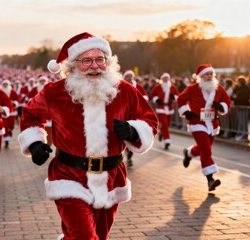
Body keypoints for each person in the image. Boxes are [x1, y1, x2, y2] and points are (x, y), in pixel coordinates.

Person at [18, 32, 158, 240]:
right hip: (69, 176)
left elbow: (149, 120)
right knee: (84, 235)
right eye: (87, 60)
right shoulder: (54, 92)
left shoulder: (125, 91)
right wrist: (36, 143)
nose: (94, 65)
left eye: (100, 59)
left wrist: (133, 130)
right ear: (73, 66)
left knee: (98, 236)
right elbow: (30, 114)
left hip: (111, 177)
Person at [177, 64, 231, 191]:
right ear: (200, 76)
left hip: (212, 124)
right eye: (206, 74)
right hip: (197, 123)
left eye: (211, 74)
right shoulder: (193, 88)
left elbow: (227, 102)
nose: (209, 76)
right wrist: (186, 112)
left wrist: (221, 106)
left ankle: (189, 153)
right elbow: (180, 99)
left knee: (203, 149)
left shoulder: (219, 89)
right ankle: (210, 179)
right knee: (206, 149)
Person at [122, 69, 149, 167]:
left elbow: (145, 96)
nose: (129, 78)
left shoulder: (138, 87)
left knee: (132, 134)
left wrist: (140, 101)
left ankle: (129, 155)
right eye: (127, 76)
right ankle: (123, 153)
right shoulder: (121, 86)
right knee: (122, 134)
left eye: (130, 76)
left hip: (134, 115)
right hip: (123, 114)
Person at [150, 72, 179, 150]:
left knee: (167, 124)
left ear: (169, 79)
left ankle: (161, 133)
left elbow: (177, 95)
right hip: (161, 107)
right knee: (165, 124)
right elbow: (153, 94)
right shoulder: (158, 87)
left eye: (167, 78)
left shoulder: (172, 87)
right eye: (164, 78)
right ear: (162, 79)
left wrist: (174, 97)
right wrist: (157, 100)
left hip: (169, 108)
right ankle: (167, 140)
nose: (165, 79)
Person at [0, 79, 20, 148]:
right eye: (4, 84)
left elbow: (17, 99)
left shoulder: (12, 91)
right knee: (5, 126)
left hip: (12, 112)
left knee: (12, 125)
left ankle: (10, 130)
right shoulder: (0, 92)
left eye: (6, 84)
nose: (5, 85)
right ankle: (6, 141)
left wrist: (14, 103)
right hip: (3, 112)